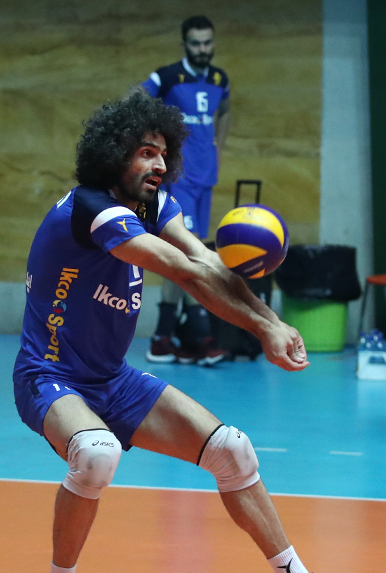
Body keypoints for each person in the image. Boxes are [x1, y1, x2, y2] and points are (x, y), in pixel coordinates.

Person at [13, 92, 368, 573]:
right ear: (113, 155)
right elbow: (183, 273)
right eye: (145, 153)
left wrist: (272, 320)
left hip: (111, 378)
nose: (158, 164)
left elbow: (205, 260)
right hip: (50, 374)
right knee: (97, 454)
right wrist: (264, 330)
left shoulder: (153, 205)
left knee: (232, 450)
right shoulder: (92, 209)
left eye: (163, 153)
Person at [142, 15, 232, 366]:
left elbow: (225, 112)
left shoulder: (220, 80)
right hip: (179, 180)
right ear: (184, 45)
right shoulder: (166, 77)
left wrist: (217, 147)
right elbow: (135, 102)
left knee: (185, 254)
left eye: (207, 42)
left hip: (205, 179)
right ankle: (201, 335)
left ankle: (163, 337)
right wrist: (153, 151)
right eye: (195, 43)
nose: (202, 49)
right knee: (192, 255)